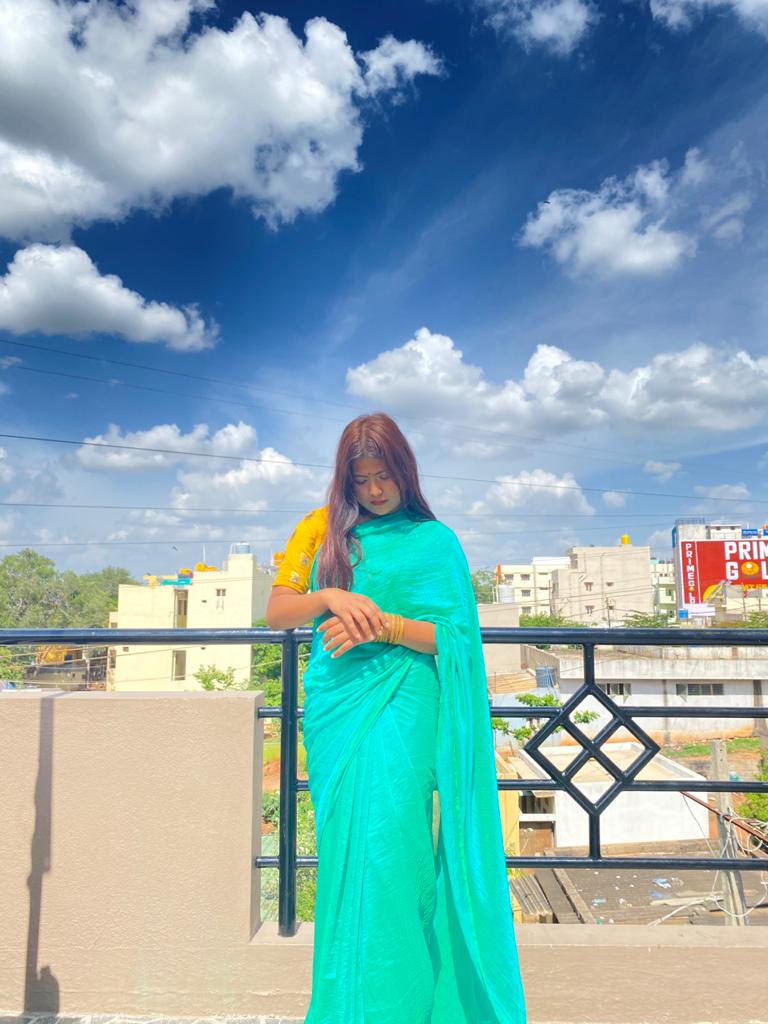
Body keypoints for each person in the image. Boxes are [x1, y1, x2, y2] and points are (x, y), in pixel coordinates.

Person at [266, 412, 526, 1024]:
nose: (375, 490)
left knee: (392, 860)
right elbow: (277, 612)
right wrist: (329, 596)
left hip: (404, 710)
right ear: (345, 480)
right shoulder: (320, 531)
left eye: (384, 476)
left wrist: (384, 626)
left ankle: (402, 1006)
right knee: (345, 865)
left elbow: (456, 637)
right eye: (361, 480)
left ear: (405, 472)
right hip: (337, 712)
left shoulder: (435, 541)